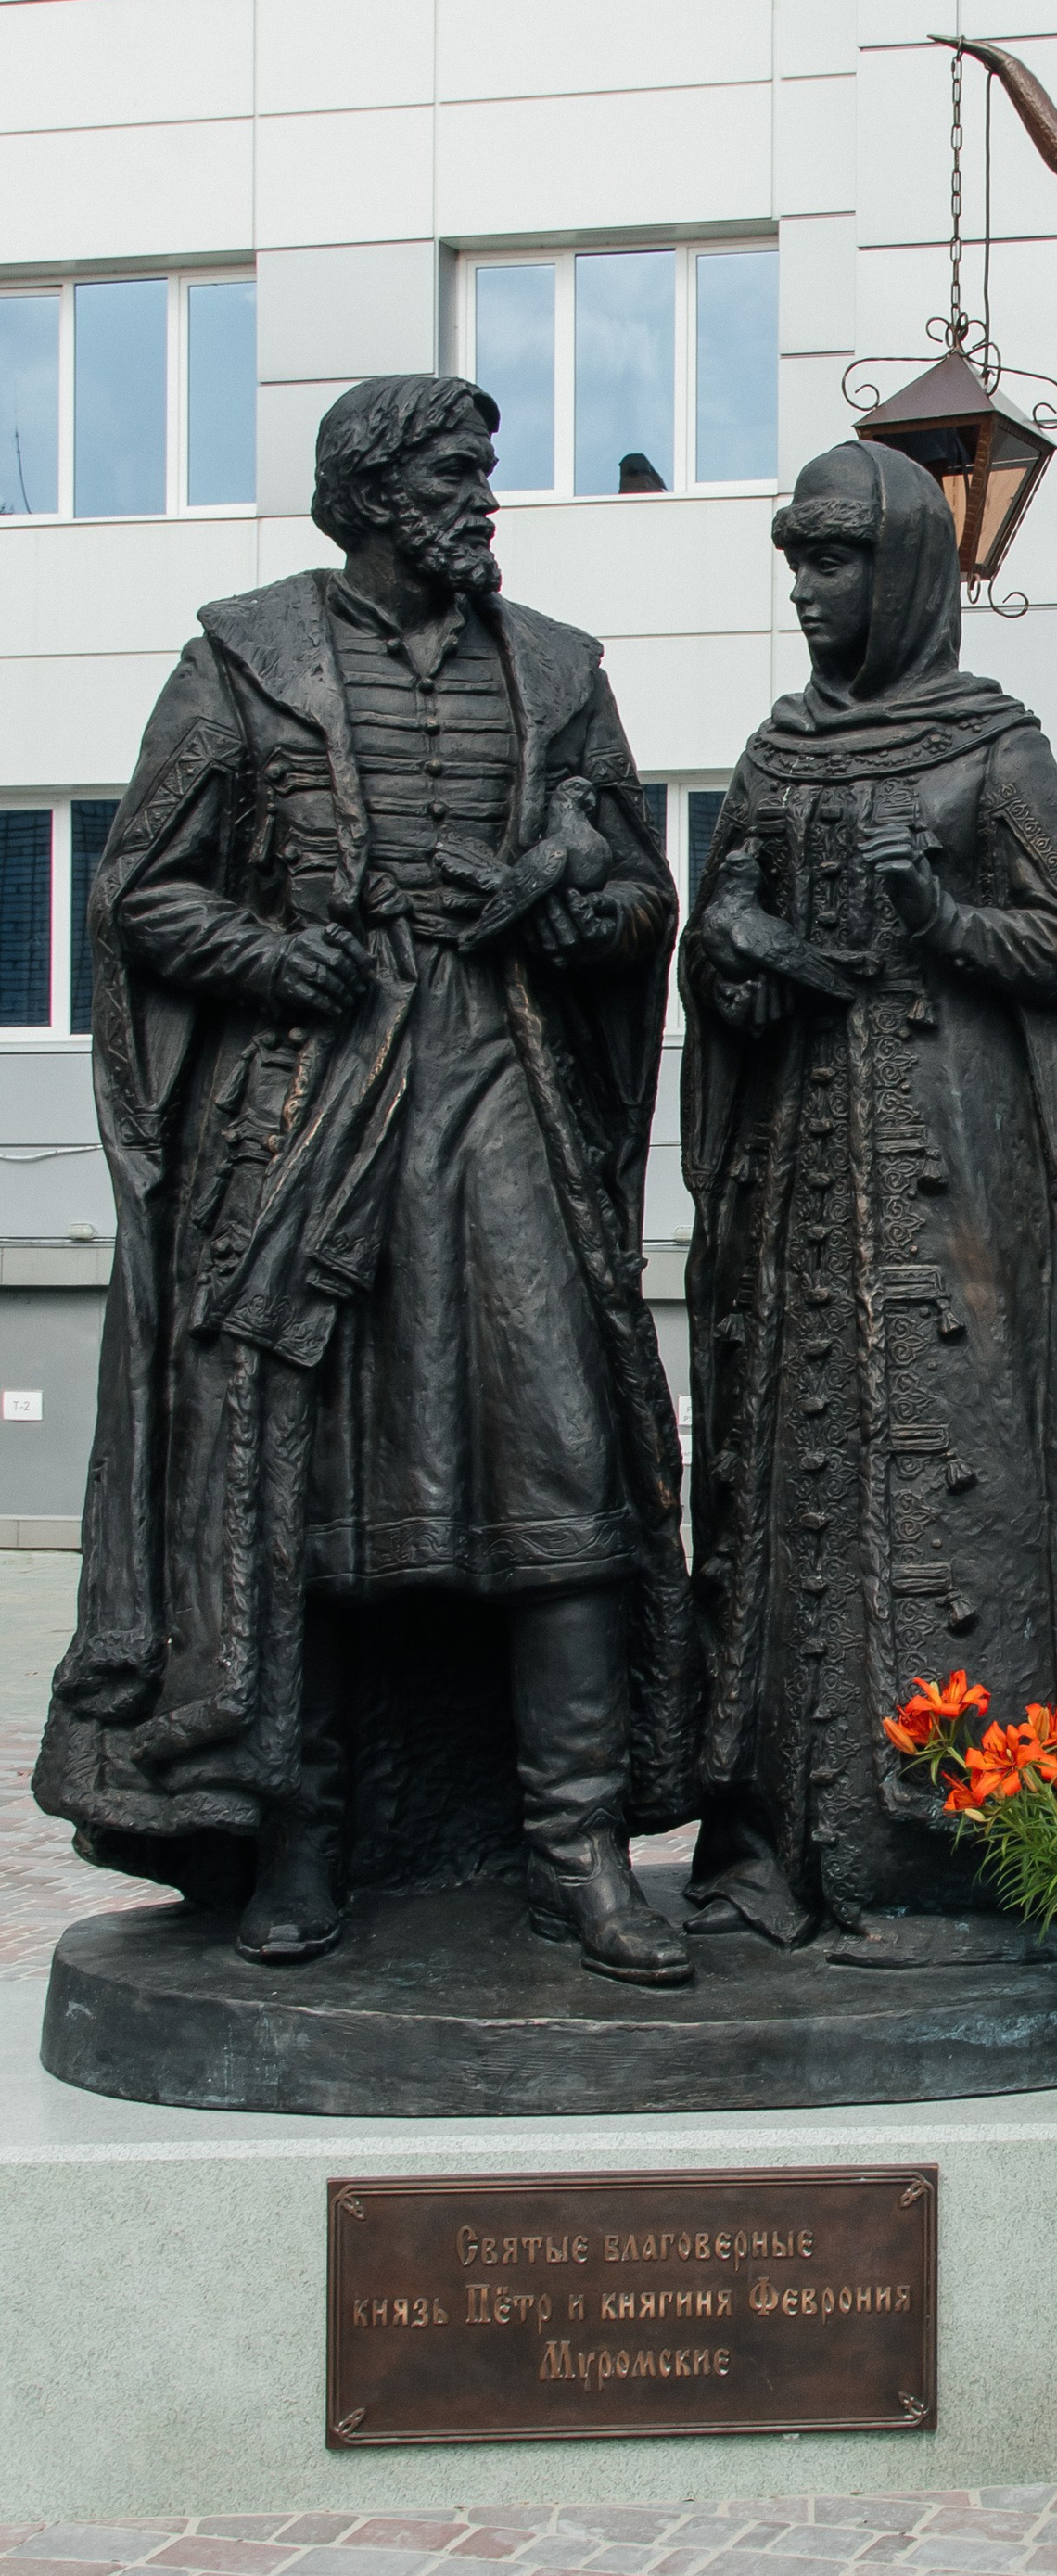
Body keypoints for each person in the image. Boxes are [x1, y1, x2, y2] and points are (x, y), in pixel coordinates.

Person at [35, 376, 694, 1987]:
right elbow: (137, 895)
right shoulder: (244, 660)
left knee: (564, 1463)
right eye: (458, 476)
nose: (485, 502)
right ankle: (301, 1841)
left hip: (506, 1111)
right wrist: (287, 958)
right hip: (314, 1131)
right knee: (303, 1488)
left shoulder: (555, 671)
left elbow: (634, 900)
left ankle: (581, 1854)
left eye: (485, 476)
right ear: (374, 493)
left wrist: (547, 898)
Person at [676, 440, 1057, 1951]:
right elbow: (720, 917)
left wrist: (937, 915)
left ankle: (955, 1847)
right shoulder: (775, 750)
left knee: (951, 1490)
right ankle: (779, 1845)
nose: (811, 595)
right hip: (799, 1194)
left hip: (955, 1201)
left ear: (903, 575)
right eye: (796, 565)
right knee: (787, 1482)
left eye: (835, 564)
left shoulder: (992, 748)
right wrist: (748, 951)